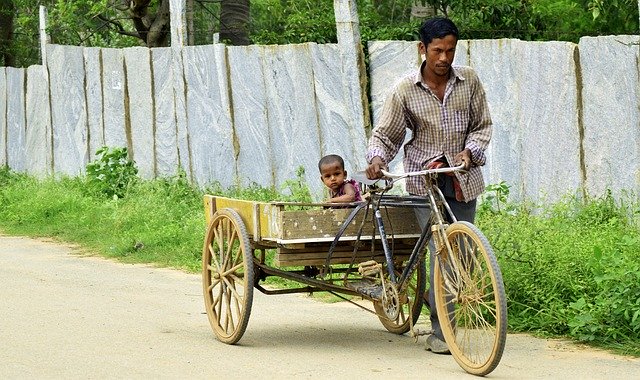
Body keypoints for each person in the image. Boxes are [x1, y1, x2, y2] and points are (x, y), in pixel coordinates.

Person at [365, 17, 492, 354]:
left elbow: (482, 126)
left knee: (462, 252)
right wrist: (378, 159)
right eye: (437, 50)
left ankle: (440, 304)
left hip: (462, 176)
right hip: (424, 181)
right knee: (441, 253)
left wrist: (472, 151)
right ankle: (442, 331)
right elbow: (386, 135)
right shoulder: (404, 89)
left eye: (450, 50)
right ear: (422, 49)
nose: (444, 58)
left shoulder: (470, 82)